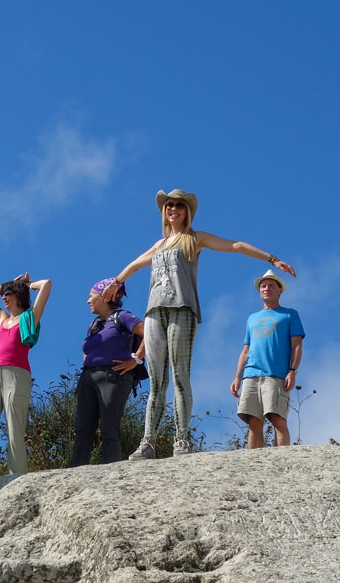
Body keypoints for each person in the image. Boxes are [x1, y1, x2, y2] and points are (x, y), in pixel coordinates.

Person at [105, 189, 297, 459]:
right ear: (164, 211)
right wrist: (116, 281)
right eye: (169, 205)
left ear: (187, 211)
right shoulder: (159, 245)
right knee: (157, 382)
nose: (173, 209)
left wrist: (271, 259)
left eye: (179, 206)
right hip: (154, 312)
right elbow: (135, 264)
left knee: (180, 377)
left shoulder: (193, 239)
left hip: (182, 309)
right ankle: (147, 443)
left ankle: (181, 440)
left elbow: (236, 245)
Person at [0, 273, 52, 479]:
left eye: (8, 294)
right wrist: (9, 284)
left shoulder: (30, 317)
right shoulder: (3, 319)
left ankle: (17, 475)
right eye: (4, 294)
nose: (3, 298)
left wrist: (27, 285)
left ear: (18, 295)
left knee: (15, 428)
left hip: (18, 374)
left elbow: (47, 285)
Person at [70, 279, 146, 467]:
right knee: (82, 429)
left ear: (104, 297)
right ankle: (75, 471)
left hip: (113, 377)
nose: (88, 301)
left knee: (108, 428)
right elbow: (88, 347)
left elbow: (150, 332)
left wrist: (136, 359)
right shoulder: (94, 323)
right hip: (88, 377)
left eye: (91, 296)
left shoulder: (123, 317)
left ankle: (111, 472)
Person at [231, 269, 305, 448]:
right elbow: (245, 350)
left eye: (271, 285)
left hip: (276, 375)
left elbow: (296, 344)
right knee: (254, 421)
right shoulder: (252, 318)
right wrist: (237, 377)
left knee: (277, 417)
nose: (267, 288)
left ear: (280, 290)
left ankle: (282, 460)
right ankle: (255, 465)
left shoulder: (289, 314)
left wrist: (292, 371)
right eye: (263, 286)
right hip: (251, 375)